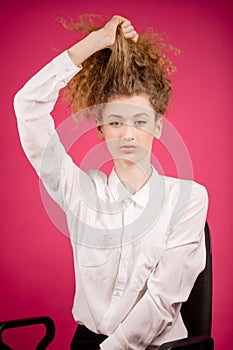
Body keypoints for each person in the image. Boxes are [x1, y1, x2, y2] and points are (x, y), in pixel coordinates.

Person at [14, 15, 208, 350]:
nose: (128, 133)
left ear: (158, 127)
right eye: (116, 122)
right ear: (101, 129)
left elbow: (162, 302)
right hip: (89, 341)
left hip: (156, 347)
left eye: (140, 121)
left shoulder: (188, 198)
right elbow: (28, 107)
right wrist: (96, 42)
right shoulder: (79, 190)